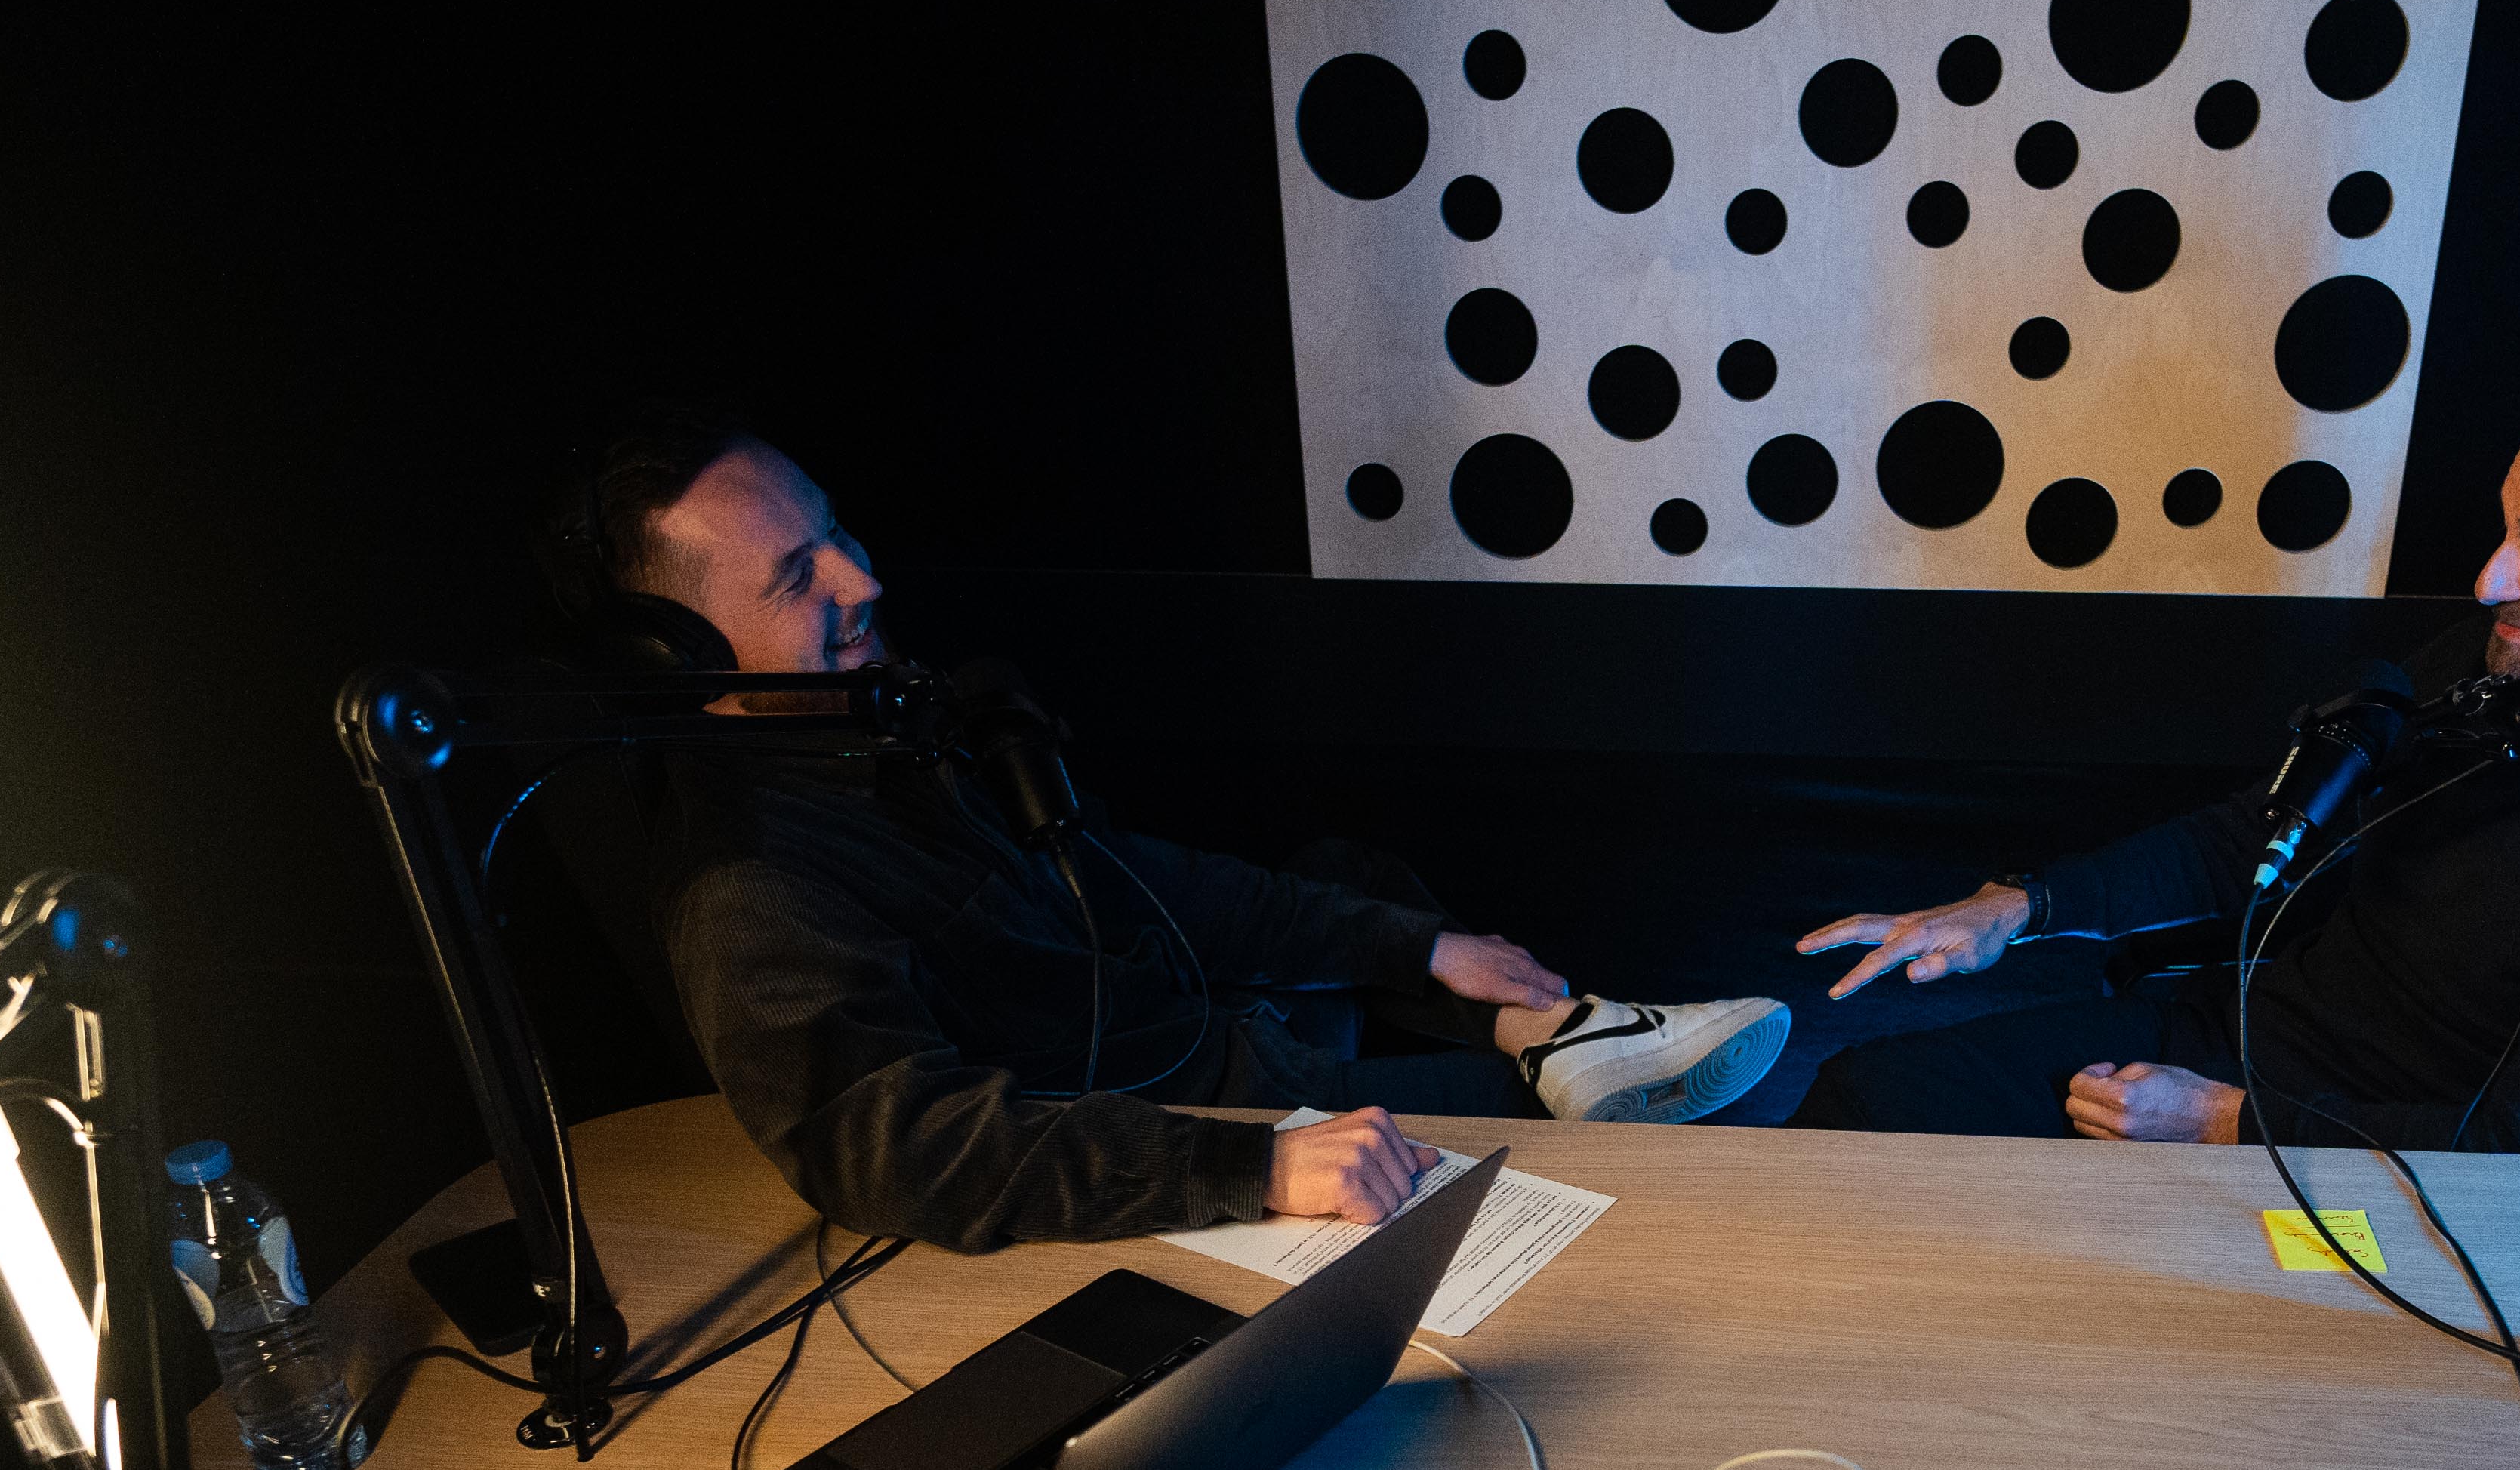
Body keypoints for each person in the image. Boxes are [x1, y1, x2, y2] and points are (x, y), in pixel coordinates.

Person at [572, 416, 1788, 1249]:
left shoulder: (887, 723)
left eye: (835, 531)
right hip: (1194, 1118)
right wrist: (1246, 1169)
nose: (859, 579)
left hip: (1212, 1026)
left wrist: (1413, 945)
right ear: (675, 660)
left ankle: (1556, 1032)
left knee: (1350, 887)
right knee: (1607, 1139)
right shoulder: (750, 887)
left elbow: (1126, 876)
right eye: (796, 577)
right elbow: (893, 1151)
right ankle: (1554, 1059)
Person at [1785, 353, 2520, 1155]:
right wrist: (2018, 903)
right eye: (2508, 527)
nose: (2492, 577)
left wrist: (2227, 1125)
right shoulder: (2506, 661)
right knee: (1862, 1106)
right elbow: (2261, 831)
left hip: (2358, 1166)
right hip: (2225, 1047)